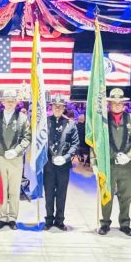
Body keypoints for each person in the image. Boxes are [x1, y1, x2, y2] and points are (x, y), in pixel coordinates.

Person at [96, 88, 131, 237]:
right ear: (109, 104)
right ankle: (105, 223)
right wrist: (94, 162)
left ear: (124, 104)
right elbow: (96, 142)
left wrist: (129, 156)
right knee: (106, 195)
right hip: (108, 165)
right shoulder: (103, 120)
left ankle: (125, 224)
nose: (117, 105)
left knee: (126, 196)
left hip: (126, 165)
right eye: (114, 102)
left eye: (120, 102)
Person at [0, 89, 31, 230]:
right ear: (2, 102)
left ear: (16, 102)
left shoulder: (22, 118)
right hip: (0, 158)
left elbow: (27, 137)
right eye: (7, 100)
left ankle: (13, 217)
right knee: (2, 188)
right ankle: (2, 217)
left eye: (12, 101)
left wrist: (17, 150)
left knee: (14, 190)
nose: (10, 103)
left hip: (15, 159)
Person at [45, 94, 79, 231]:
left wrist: (66, 157)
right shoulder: (45, 123)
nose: (58, 108)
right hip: (48, 165)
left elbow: (75, 144)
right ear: (51, 107)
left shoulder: (71, 124)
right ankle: (48, 219)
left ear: (64, 108)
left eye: (60, 106)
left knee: (61, 193)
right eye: (55, 106)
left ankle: (59, 220)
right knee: (48, 193)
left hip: (63, 166)